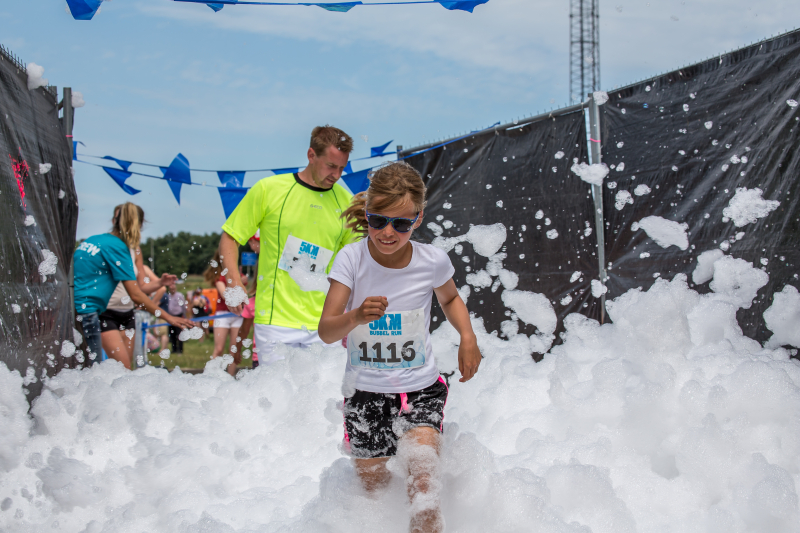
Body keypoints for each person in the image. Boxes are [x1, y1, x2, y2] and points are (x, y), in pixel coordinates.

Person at [318, 162, 482, 533]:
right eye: (378, 221)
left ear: (418, 218)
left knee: (424, 487)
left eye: (401, 224)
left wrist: (468, 337)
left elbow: (451, 298)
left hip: (419, 390)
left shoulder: (432, 261)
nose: (388, 233)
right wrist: (356, 315)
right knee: (376, 498)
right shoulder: (351, 259)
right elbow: (327, 330)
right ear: (367, 215)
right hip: (364, 395)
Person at [219, 125, 359, 364]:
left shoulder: (347, 203)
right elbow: (230, 236)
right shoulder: (269, 189)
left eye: (342, 168)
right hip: (276, 323)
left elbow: (356, 260)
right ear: (311, 155)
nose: (336, 175)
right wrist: (232, 280)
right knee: (277, 400)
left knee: (326, 400)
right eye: (331, 166)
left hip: (326, 323)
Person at [73, 202, 195, 367]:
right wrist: (169, 317)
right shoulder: (117, 247)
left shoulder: (95, 241)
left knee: (108, 369)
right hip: (93, 314)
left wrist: (159, 283)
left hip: (84, 310)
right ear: (138, 225)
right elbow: (136, 294)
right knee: (115, 370)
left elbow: (138, 289)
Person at [204, 249, 243, 375]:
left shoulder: (237, 274)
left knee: (234, 350)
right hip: (223, 314)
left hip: (237, 315)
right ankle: (211, 376)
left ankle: (230, 378)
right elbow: (225, 295)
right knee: (219, 349)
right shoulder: (220, 276)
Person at [160, 283, 187, 354]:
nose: (172, 290)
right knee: (172, 334)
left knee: (179, 334)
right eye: (171, 289)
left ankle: (180, 350)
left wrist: (184, 316)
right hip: (170, 316)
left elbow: (183, 306)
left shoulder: (180, 295)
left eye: (173, 288)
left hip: (178, 315)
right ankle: (174, 349)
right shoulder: (168, 296)